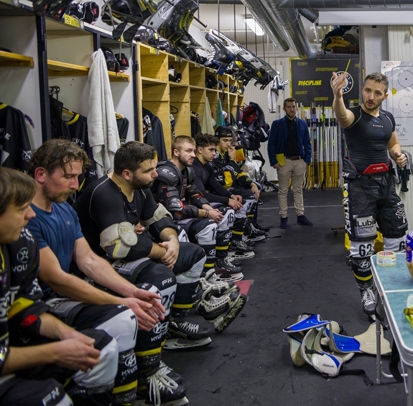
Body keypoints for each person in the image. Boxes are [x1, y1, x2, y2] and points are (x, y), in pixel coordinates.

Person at [73, 142, 247, 379]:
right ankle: (148, 364)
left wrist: (172, 241)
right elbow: (119, 247)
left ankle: (175, 325)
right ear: (127, 173)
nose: (155, 174)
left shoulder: (140, 187)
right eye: (148, 170)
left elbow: (160, 219)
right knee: (161, 276)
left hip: (126, 257)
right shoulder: (105, 193)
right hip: (99, 266)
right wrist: (159, 252)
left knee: (193, 254)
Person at [26, 139, 164, 406]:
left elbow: (88, 259)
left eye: (78, 177)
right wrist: (122, 301)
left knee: (144, 298)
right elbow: (56, 279)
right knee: (123, 315)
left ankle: (131, 389)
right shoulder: (26, 217)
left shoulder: (65, 208)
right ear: (40, 174)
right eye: (68, 177)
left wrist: (131, 292)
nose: (75, 185)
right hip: (42, 303)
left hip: (63, 293)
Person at [0, 167, 117, 406]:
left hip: (11, 345)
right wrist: (55, 352)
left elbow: (26, 308)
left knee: (100, 347)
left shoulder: (20, 243)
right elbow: (56, 278)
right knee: (49, 396)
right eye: (21, 209)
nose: (30, 215)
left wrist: (68, 335)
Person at [331, 71, 408, 319]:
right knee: (362, 247)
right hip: (359, 188)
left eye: (377, 93)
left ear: (384, 96)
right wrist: (337, 96)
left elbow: (393, 143)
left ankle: (390, 287)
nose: (370, 96)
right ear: (362, 90)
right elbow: (342, 116)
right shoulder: (354, 115)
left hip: (386, 185)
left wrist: (398, 154)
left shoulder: (387, 118)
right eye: (367, 90)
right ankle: (366, 291)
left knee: (397, 240)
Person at [152, 135, 249, 281]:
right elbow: (176, 210)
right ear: (176, 152)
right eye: (188, 151)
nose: (193, 155)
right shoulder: (166, 173)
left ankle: (212, 270)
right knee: (205, 225)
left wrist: (209, 209)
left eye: (193, 151)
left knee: (218, 217)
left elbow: (195, 194)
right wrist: (206, 213)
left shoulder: (187, 171)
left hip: (179, 216)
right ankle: (196, 278)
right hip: (162, 222)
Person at [193, 133, 265, 249]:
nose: (214, 153)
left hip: (206, 199)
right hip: (196, 203)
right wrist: (228, 201)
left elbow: (216, 187)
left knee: (240, 202)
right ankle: (223, 249)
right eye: (211, 150)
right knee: (228, 211)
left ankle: (237, 239)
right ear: (200, 150)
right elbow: (202, 194)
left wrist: (231, 196)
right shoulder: (195, 167)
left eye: (214, 150)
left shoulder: (207, 165)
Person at [212, 126, 267, 239]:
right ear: (217, 140)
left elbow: (238, 173)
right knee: (247, 196)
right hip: (218, 190)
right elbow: (225, 181)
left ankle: (248, 226)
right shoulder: (214, 156)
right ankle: (239, 235)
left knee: (254, 188)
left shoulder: (226, 153)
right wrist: (232, 161)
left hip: (228, 187)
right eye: (225, 140)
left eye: (230, 141)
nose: (228, 144)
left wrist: (251, 183)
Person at [267, 97, 313, 229]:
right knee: (283, 190)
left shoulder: (302, 123)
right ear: (284, 108)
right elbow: (271, 144)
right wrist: (274, 161)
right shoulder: (277, 124)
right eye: (289, 107)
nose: (292, 109)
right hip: (284, 162)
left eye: (293, 107)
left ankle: (300, 215)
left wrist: (307, 160)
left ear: (296, 107)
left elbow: (307, 143)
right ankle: (283, 217)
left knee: (298, 190)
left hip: (299, 161)